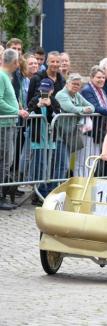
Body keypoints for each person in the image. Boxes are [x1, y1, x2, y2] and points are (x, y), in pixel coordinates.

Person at [0, 49, 29, 210]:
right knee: (4, 161)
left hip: (8, 125)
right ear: (15, 62)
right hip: (3, 126)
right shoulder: (2, 76)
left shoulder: (6, 77)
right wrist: (16, 111)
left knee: (6, 161)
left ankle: (2, 195)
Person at [27, 78, 61, 205]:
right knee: (38, 167)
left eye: (46, 91)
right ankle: (37, 194)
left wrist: (49, 106)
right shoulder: (35, 100)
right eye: (42, 90)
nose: (44, 93)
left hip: (50, 141)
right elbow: (28, 115)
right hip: (37, 140)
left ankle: (45, 192)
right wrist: (37, 106)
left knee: (49, 168)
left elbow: (57, 116)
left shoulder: (54, 101)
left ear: (51, 91)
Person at [55, 73, 95, 178]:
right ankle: (54, 188)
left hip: (70, 134)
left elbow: (92, 107)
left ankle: (58, 185)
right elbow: (69, 108)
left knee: (64, 164)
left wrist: (85, 109)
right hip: (59, 135)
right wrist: (83, 110)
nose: (76, 86)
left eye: (78, 84)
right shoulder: (61, 94)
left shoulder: (77, 95)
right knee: (62, 164)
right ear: (67, 84)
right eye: (73, 84)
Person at [80, 66, 107, 176]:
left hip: (98, 130)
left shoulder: (101, 91)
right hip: (89, 130)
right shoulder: (87, 90)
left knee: (94, 158)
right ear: (91, 78)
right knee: (85, 159)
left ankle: (90, 182)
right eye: (98, 77)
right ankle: (82, 183)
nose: (101, 80)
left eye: (103, 77)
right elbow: (96, 108)